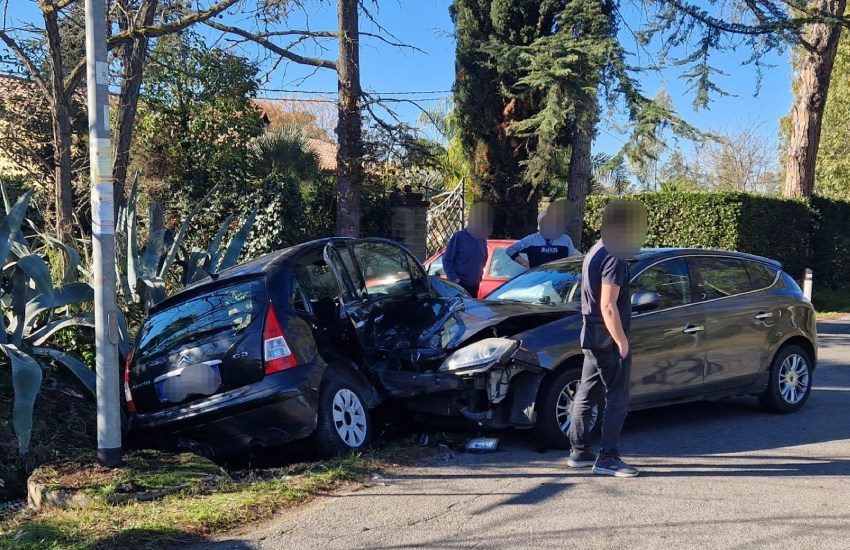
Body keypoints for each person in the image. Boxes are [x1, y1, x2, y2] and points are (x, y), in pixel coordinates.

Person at [567, 199, 647, 478]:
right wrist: (622, 342)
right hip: (607, 336)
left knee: (587, 392)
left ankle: (578, 452)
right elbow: (608, 305)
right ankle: (608, 458)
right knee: (618, 396)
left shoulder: (596, 250)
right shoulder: (614, 256)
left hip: (591, 333)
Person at [506, 199, 577, 269]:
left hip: (558, 278)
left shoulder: (565, 239)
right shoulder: (531, 240)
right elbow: (510, 250)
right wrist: (526, 264)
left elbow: (572, 259)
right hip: (537, 279)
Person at [443, 202, 493, 297]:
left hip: (474, 286)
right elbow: (447, 260)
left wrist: (479, 276)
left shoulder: (481, 238)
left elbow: (484, 257)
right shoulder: (459, 237)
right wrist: (454, 279)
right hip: (459, 286)